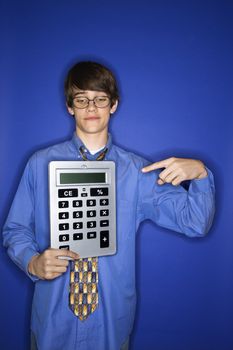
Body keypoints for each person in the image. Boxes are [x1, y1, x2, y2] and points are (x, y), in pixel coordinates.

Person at [2, 61, 215, 350]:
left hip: (111, 328)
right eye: (82, 99)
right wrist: (32, 260)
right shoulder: (40, 164)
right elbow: (15, 229)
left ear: (113, 105)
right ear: (70, 106)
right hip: (51, 325)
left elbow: (195, 222)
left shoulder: (137, 172)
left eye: (100, 99)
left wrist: (200, 173)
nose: (91, 107)